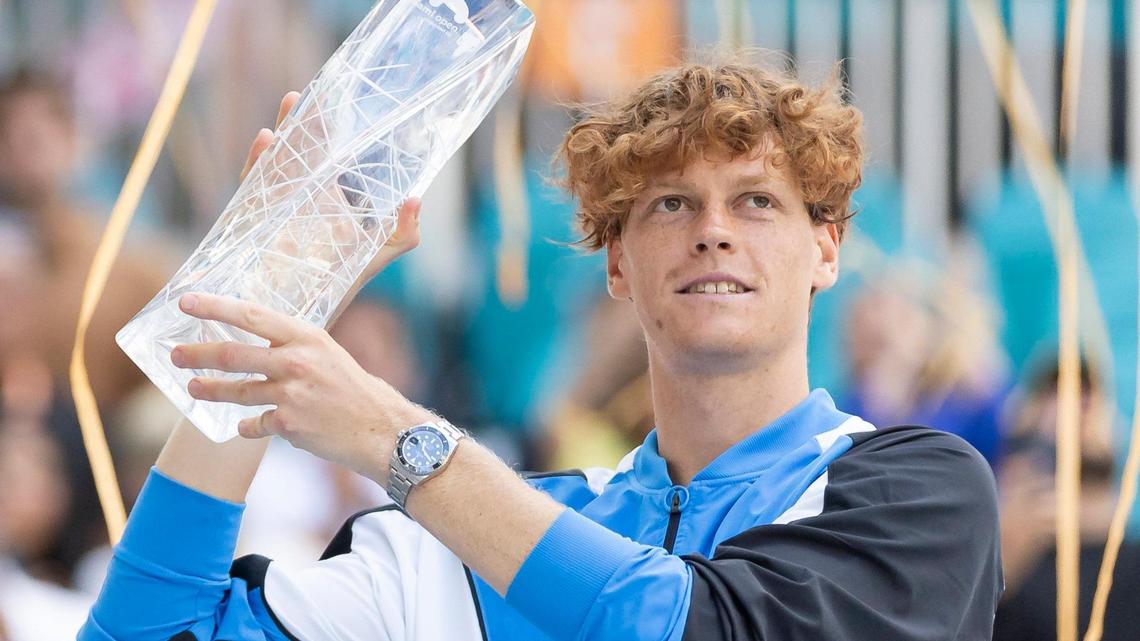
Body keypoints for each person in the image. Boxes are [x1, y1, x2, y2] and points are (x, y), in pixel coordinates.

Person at [80, 55, 1002, 641]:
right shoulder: (456, 541)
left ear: (826, 248)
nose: (714, 230)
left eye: (757, 200)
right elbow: (147, 631)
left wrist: (393, 436)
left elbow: (691, 624)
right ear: (616, 267)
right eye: (669, 204)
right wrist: (276, 290)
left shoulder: (918, 491)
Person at [993, 356, 1140, 641]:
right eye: (1058, 396)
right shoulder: (1003, 559)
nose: (1082, 408)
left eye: (1091, 396)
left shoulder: (1132, 564)